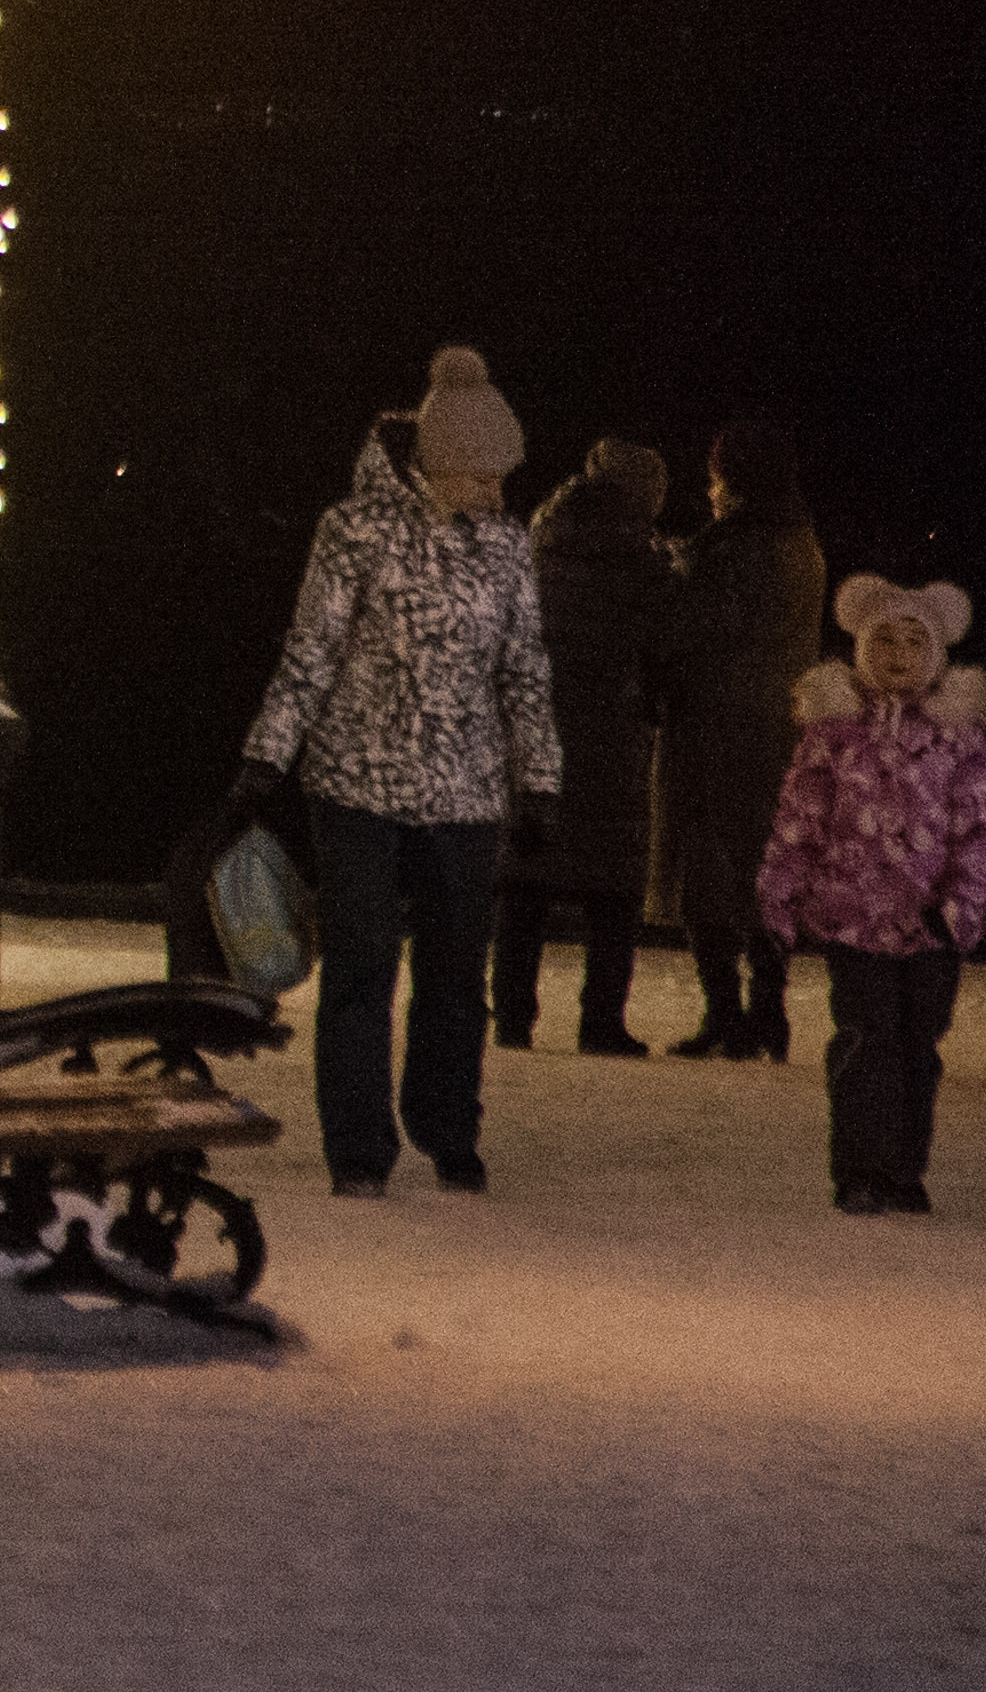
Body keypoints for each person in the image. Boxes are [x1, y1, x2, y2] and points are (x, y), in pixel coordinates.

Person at [229, 346, 561, 1197]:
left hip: (465, 790)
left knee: (456, 974)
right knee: (361, 965)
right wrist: (266, 757)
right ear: (440, 465)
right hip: (356, 783)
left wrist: (538, 779)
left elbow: (524, 665)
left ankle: (449, 1130)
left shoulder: (505, 546)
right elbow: (311, 651)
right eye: (483, 478)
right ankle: (358, 1149)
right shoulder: (353, 530)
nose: (496, 494)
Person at [756, 576, 986, 1214]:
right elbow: (800, 818)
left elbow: (980, 829)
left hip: (930, 927)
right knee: (865, 1041)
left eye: (913, 641)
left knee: (916, 1046)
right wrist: (781, 894)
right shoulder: (833, 735)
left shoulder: (956, 737)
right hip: (854, 919)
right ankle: (860, 1170)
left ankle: (902, 1168)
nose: (897, 654)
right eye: (884, 640)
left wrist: (962, 907)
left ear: (935, 654)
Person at [496, 438, 677, 1054]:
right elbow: (669, 642)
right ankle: (601, 1020)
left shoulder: (541, 541)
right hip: (613, 734)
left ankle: (513, 1016)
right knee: (614, 887)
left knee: (527, 877)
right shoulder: (646, 564)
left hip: (537, 729)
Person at [659, 419, 830, 1058]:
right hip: (780, 726)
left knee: (708, 871)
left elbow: (689, 634)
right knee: (767, 867)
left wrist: (674, 573)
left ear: (729, 479)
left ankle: (726, 1012)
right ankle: (770, 1009)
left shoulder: (722, 549)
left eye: (713, 478)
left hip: (713, 725)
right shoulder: (803, 543)